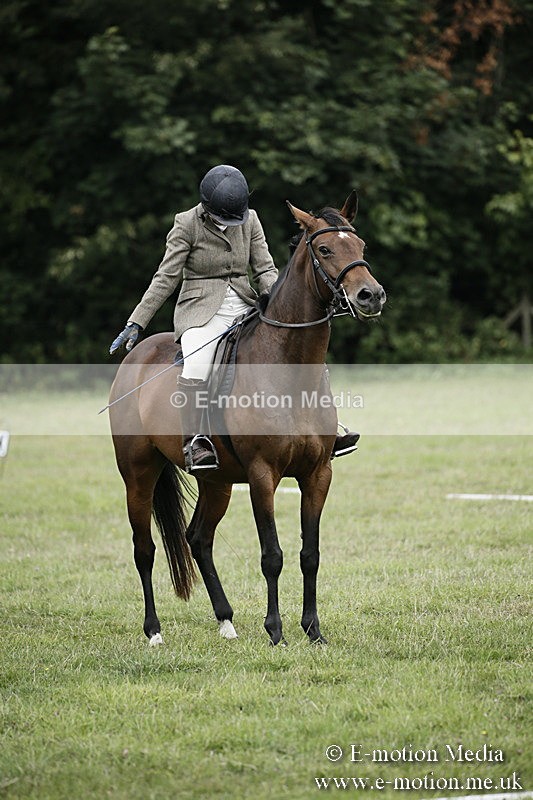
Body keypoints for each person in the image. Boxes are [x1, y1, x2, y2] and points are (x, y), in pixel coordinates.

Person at [110, 164, 359, 470]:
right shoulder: (186, 223)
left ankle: (325, 427)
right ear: (207, 206)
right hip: (200, 309)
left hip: (246, 302)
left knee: (299, 350)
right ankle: (196, 440)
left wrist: (278, 302)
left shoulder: (251, 219)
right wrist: (137, 321)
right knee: (199, 363)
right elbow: (166, 277)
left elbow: (265, 268)